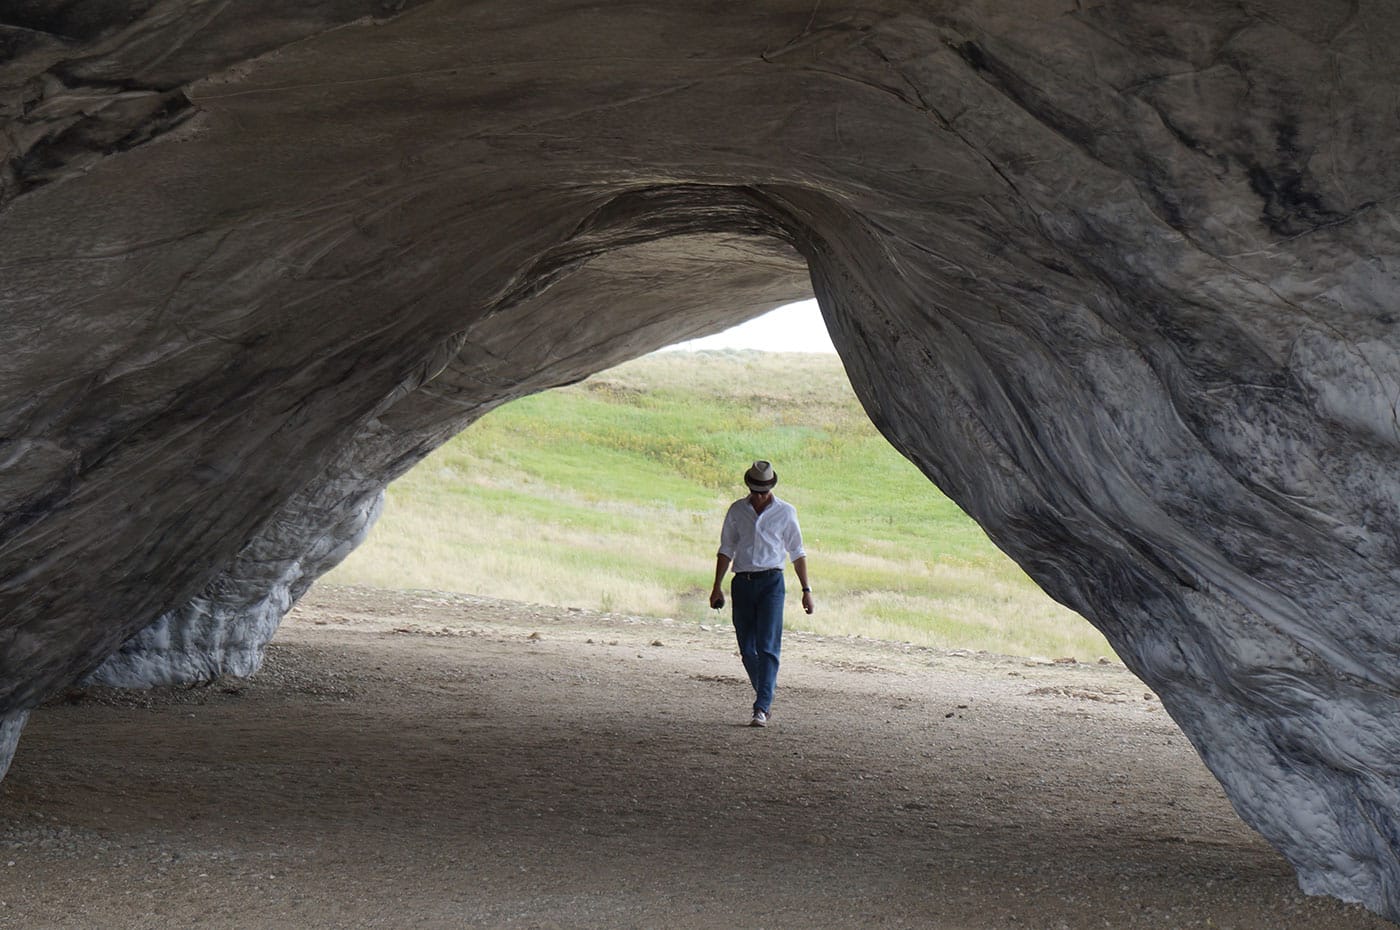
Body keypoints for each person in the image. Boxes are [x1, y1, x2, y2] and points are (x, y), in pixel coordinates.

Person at [709, 460, 813, 727]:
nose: (758, 496)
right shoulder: (736, 510)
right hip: (742, 582)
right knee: (747, 649)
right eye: (755, 491)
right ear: (748, 487)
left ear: (771, 487)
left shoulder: (786, 513)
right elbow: (726, 548)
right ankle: (766, 692)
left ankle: (762, 706)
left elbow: (797, 552)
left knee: (767, 646)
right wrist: (716, 586)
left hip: (771, 582)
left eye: (763, 491)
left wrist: (806, 590)